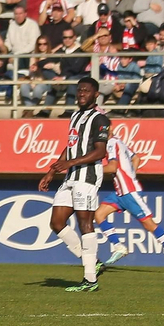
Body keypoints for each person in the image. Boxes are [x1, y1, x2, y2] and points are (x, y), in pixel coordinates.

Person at [37, 77, 109, 292]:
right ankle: (92, 261)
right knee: (57, 222)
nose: (82, 94)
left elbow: (100, 152)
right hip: (71, 176)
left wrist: (71, 163)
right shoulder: (75, 116)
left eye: (86, 91)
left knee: (85, 223)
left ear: (96, 94)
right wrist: (52, 171)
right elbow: (71, 145)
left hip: (87, 178)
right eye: (79, 91)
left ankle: (90, 280)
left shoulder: (100, 119)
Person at [93, 135, 164, 273]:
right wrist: (131, 177)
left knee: (149, 224)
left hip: (129, 193)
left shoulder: (111, 143)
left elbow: (112, 167)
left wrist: (91, 170)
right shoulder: (118, 141)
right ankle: (119, 247)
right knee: (99, 214)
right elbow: (136, 158)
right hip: (120, 193)